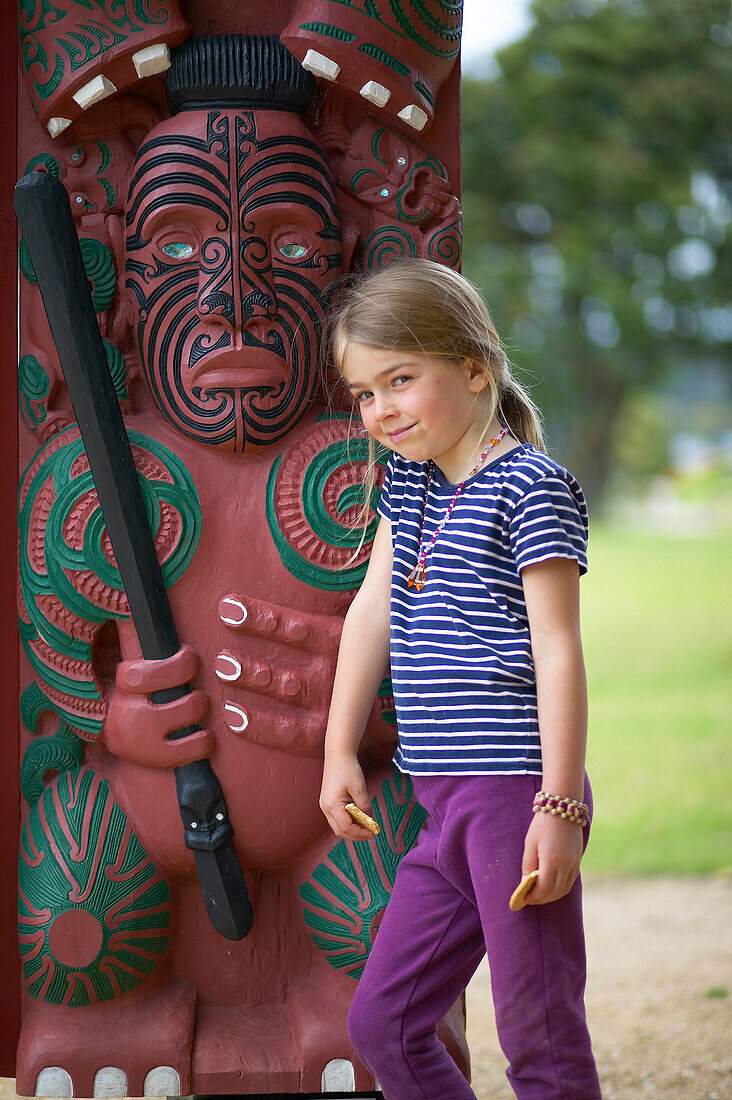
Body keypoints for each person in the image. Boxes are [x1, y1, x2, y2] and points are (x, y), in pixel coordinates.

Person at [319, 259, 602, 1100]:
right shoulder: (408, 485)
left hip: (516, 795)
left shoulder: (531, 489)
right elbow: (371, 613)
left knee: (539, 1039)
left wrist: (560, 805)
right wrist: (337, 750)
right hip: (444, 803)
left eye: (400, 380)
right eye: (365, 394)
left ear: (475, 368)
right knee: (385, 1025)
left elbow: (559, 651)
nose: (381, 411)